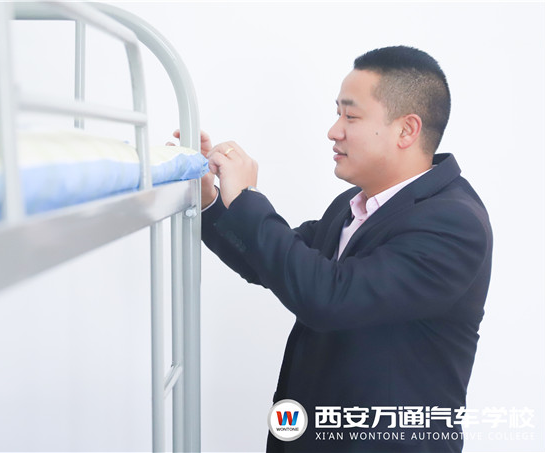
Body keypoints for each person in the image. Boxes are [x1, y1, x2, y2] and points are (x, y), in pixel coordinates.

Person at [172, 46, 493, 452]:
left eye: (350, 116)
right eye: (337, 113)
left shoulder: (454, 222)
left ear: (406, 130)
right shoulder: (355, 203)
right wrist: (210, 200)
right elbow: (275, 262)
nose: (333, 131)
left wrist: (247, 199)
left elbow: (328, 297)